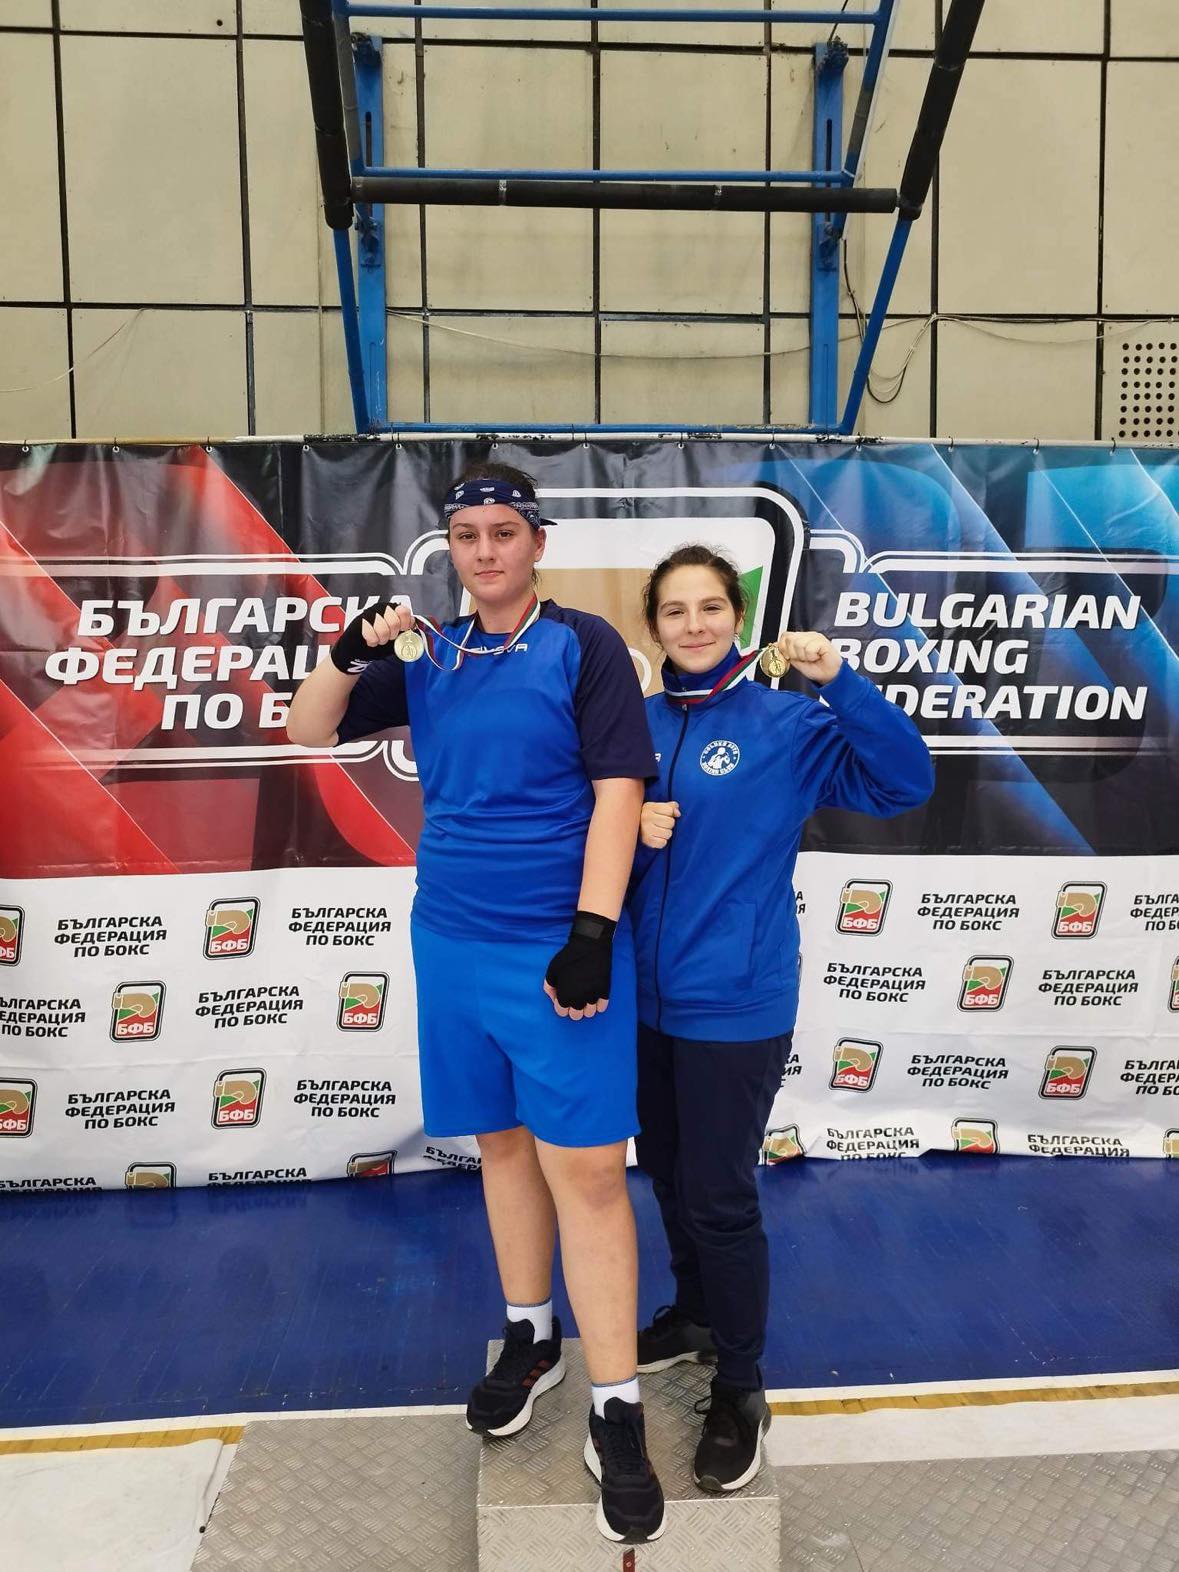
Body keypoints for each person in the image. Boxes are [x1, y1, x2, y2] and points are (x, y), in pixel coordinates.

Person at [286, 463, 665, 1545]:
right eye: (467, 534)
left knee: (587, 1172)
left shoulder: (583, 645)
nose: (486, 550)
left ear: (536, 543)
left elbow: (620, 792)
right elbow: (309, 727)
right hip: (450, 940)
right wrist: (347, 652)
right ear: (449, 548)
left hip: (556, 946)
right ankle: (529, 1335)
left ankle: (616, 1405)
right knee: (500, 1146)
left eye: (504, 531)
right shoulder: (432, 651)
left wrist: (590, 933)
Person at [627, 543, 934, 1493]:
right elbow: (578, 847)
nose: (693, 625)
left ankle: (741, 1385)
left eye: (710, 607)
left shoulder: (787, 722)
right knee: (667, 1170)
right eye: (674, 610)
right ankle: (693, 1314)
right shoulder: (631, 726)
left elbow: (905, 782)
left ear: (738, 616)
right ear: (653, 625)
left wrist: (838, 680)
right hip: (640, 1001)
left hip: (735, 1001)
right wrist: (629, 833)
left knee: (719, 1196)